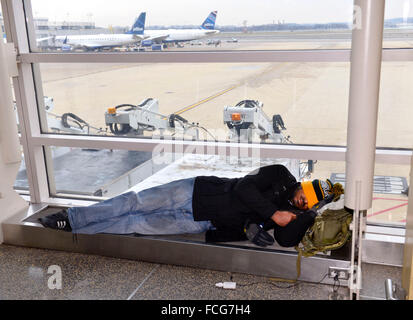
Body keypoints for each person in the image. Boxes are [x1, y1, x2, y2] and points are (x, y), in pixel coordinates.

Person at [38, 164, 340, 247]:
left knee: (135, 225)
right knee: (134, 202)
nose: (298, 202)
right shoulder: (278, 174)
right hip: (196, 192)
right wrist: (272, 213)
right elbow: (244, 188)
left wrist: (309, 214)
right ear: (303, 184)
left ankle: (79, 229)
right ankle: (72, 218)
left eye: (304, 205)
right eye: (303, 197)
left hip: (202, 222)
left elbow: (286, 240)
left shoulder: (294, 213)